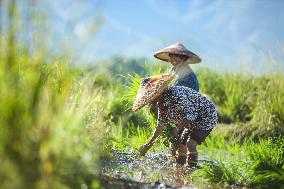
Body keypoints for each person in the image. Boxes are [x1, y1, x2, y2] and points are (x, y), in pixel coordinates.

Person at [132, 73, 217, 168]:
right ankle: (179, 169)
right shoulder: (161, 103)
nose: (150, 100)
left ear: (159, 92)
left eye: (151, 96)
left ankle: (191, 168)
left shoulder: (176, 94)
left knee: (190, 144)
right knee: (180, 146)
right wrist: (148, 145)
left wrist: (177, 128)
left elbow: (191, 113)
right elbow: (160, 125)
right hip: (190, 121)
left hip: (205, 115)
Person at [153, 43, 202, 164]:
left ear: (184, 58)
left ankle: (187, 168)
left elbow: (185, 99)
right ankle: (176, 169)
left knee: (182, 142)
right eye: (171, 57)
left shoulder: (188, 76)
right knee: (175, 141)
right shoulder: (174, 70)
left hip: (187, 110)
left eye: (177, 57)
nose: (173, 60)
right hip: (177, 110)